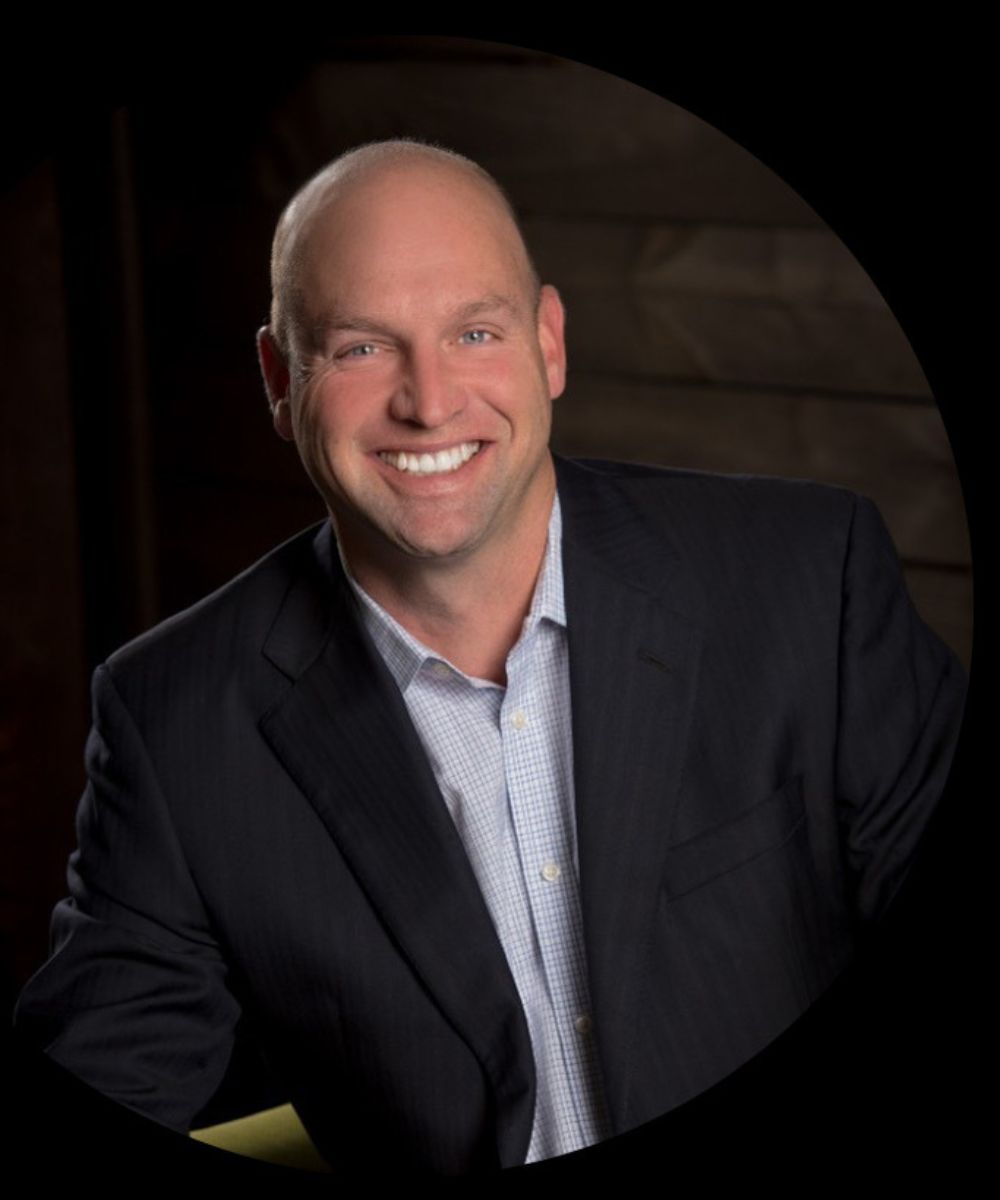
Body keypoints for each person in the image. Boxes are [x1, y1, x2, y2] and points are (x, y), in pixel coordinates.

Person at [14, 139, 966, 1175]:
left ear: (549, 344)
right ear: (280, 383)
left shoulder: (801, 583)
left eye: (475, 331)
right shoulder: (177, 723)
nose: (428, 401)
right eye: (361, 349)